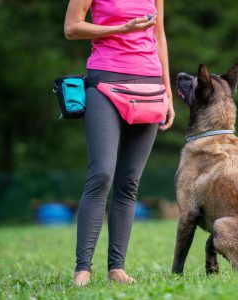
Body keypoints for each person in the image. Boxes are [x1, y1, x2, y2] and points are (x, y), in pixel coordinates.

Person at [64, 0, 174, 286]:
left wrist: (168, 92)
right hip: (104, 82)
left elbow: (159, 35)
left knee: (129, 182)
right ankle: (83, 268)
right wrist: (120, 29)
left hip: (149, 86)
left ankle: (117, 268)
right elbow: (71, 28)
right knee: (101, 174)